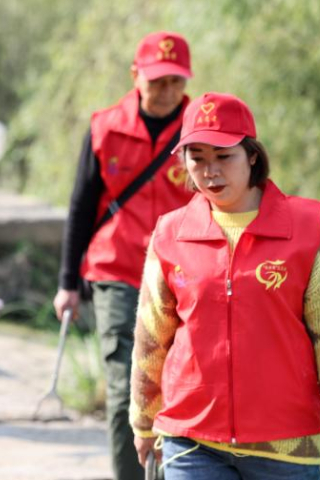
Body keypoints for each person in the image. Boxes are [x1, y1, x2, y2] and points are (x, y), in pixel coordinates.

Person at [130, 92, 320, 479]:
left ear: (252, 155)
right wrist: (144, 422)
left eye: (223, 156)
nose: (210, 171)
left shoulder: (309, 227)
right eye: (197, 158)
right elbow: (152, 338)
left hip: (290, 445)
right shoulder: (171, 233)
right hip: (192, 440)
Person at [52, 31, 195, 480]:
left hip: (183, 275)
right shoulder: (105, 126)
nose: (167, 91)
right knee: (124, 390)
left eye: (175, 81)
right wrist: (67, 283)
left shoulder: (201, 132)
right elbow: (81, 205)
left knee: (181, 387)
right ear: (136, 76)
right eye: (157, 81)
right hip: (116, 272)